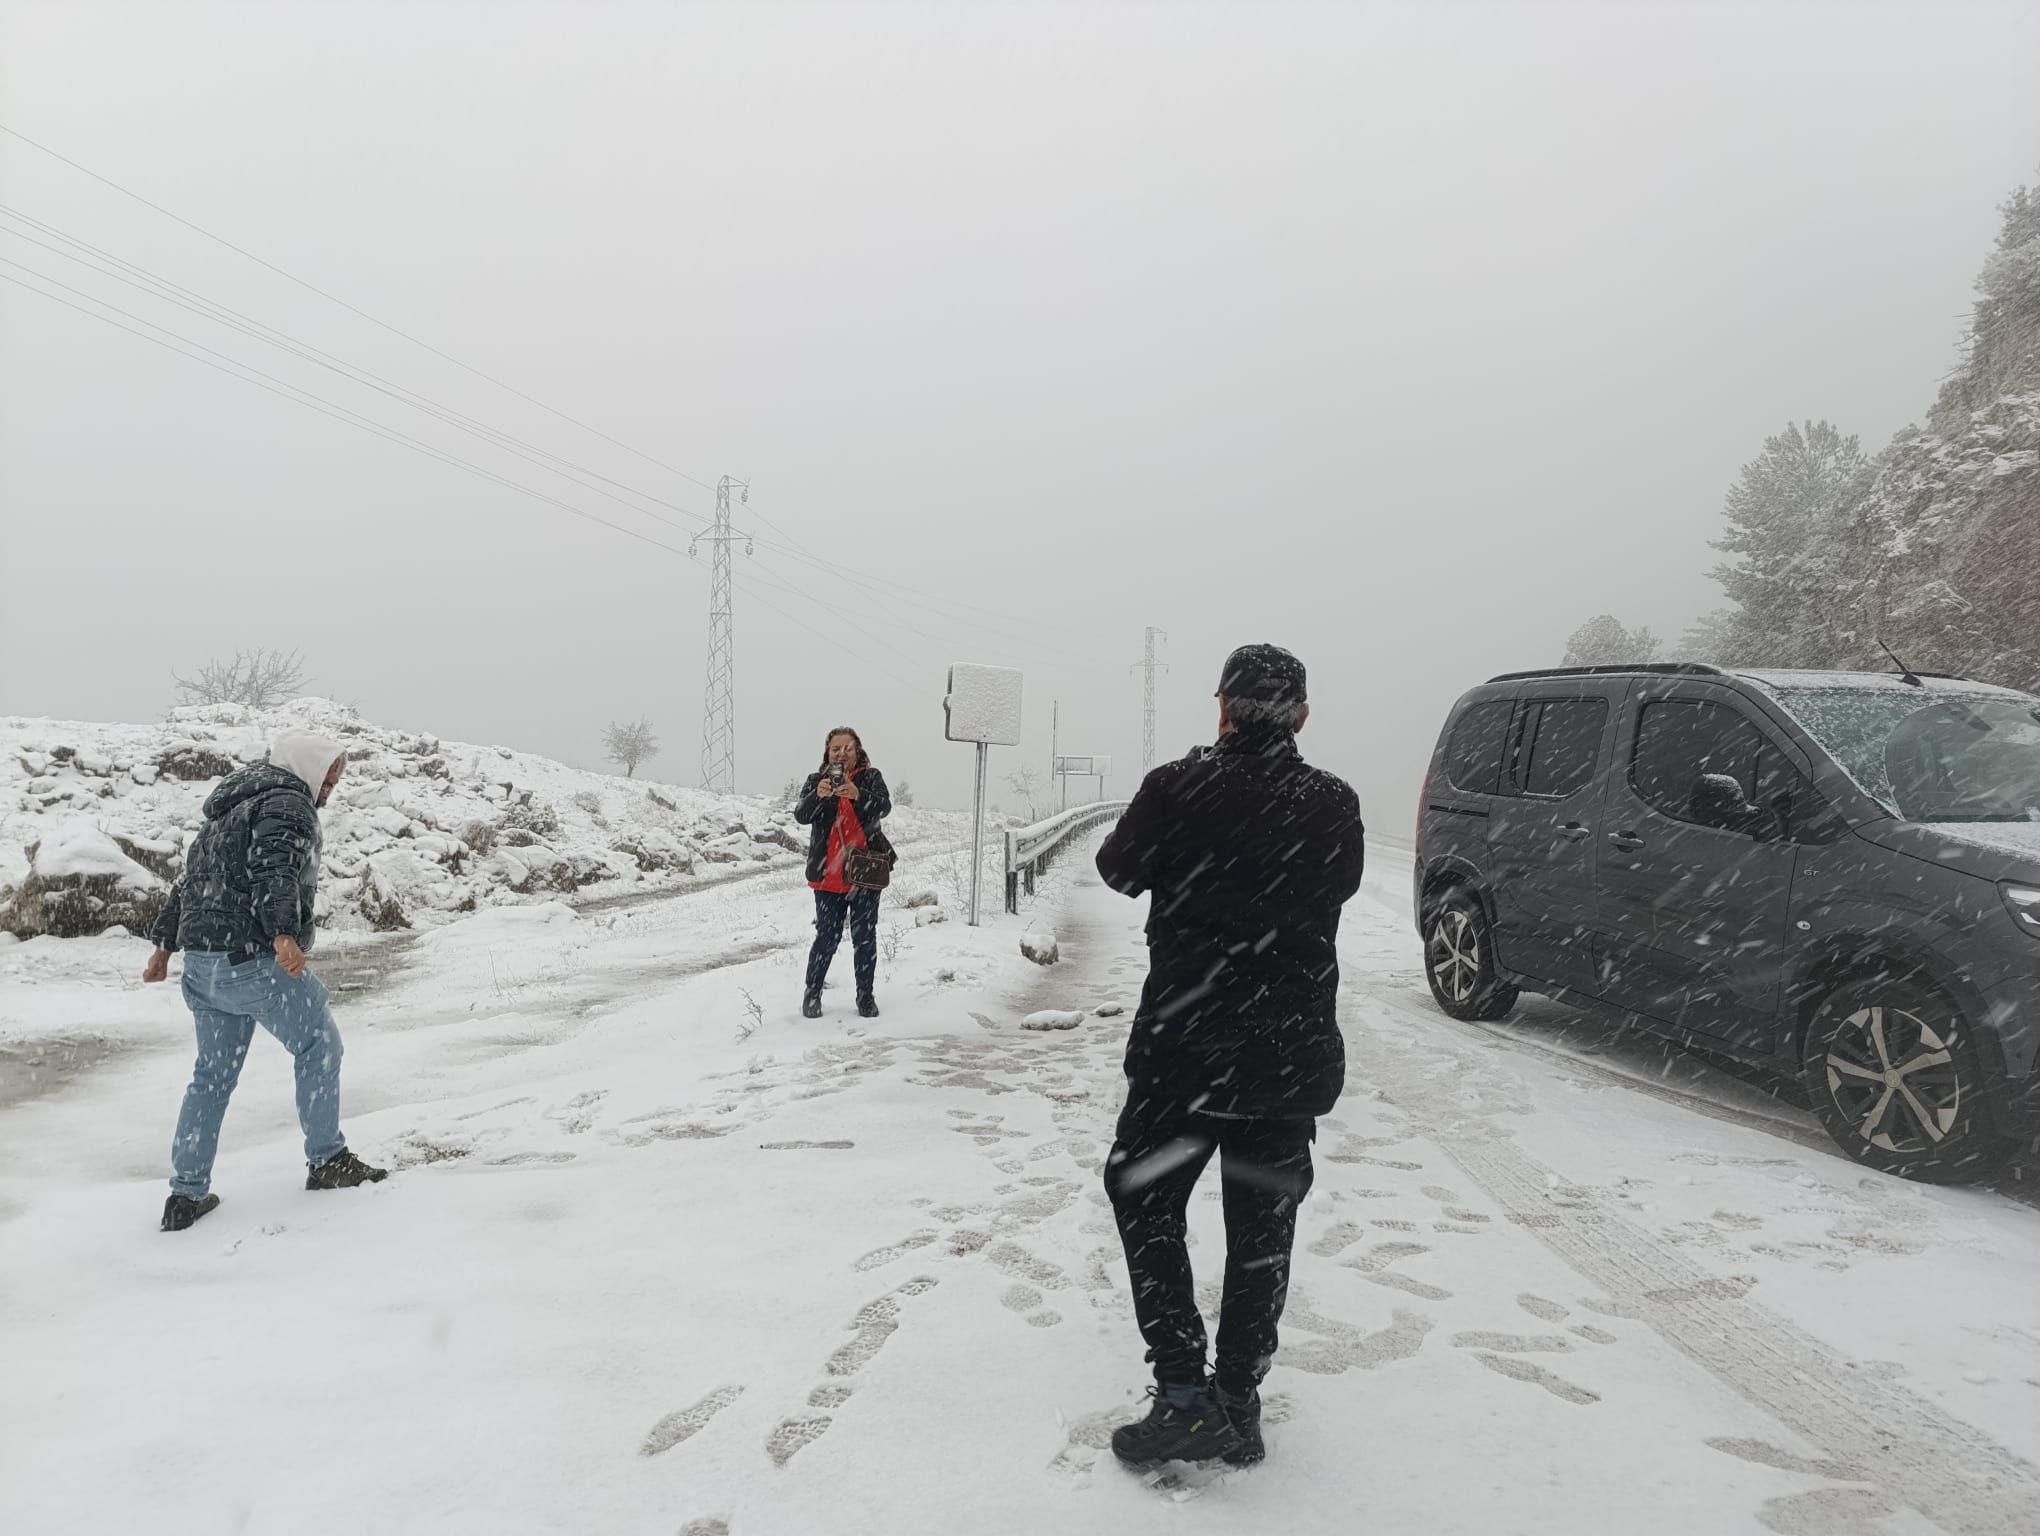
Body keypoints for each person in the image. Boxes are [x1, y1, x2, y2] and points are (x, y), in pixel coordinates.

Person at [1093, 644, 1366, 1468]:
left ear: (1221, 708)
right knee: (1261, 1229)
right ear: (1303, 717)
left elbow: (1116, 869)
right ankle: (1239, 1402)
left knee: (1144, 1197)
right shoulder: (1333, 803)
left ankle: (1182, 1392)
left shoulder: (1177, 788)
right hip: (1287, 1056)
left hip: (1185, 1050)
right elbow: (1341, 886)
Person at [143, 729, 389, 1231]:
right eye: (332, 770)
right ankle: (327, 1160)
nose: (335, 781)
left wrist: (164, 946)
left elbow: (192, 881)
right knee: (318, 1045)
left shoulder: (226, 811)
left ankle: (185, 1195)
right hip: (252, 962)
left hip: (204, 968)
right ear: (309, 766)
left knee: (211, 1077)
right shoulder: (287, 804)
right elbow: (274, 868)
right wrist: (282, 933)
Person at [793, 726, 893, 1020]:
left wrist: (858, 794)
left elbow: (884, 807)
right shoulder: (817, 780)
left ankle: (865, 996)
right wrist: (817, 796)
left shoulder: (871, 778)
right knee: (827, 937)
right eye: (835, 749)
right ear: (827, 753)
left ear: (858, 750)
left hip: (864, 873)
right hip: (827, 876)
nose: (842, 754)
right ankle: (812, 993)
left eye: (847, 748)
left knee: (865, 937)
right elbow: (801, 815)